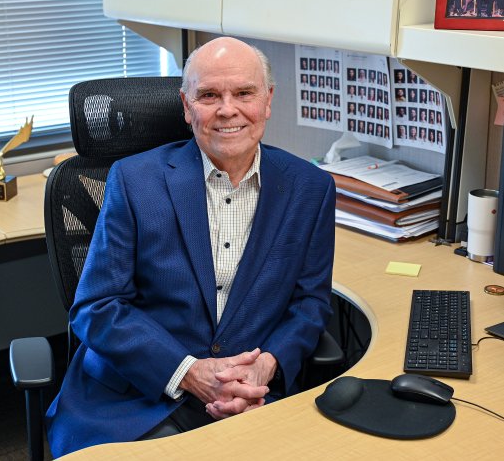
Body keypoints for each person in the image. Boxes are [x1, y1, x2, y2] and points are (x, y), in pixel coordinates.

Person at [45, 37, 336, 457]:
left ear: (268, 100)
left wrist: (265, 365)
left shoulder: (311, 188)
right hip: (135, 396)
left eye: (244, 93)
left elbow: (310, 303)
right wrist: (188, 372)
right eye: (209, 95)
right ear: (186, 106)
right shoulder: (133, 180)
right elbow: (98, 306)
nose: (227, 109)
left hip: (245, 399)